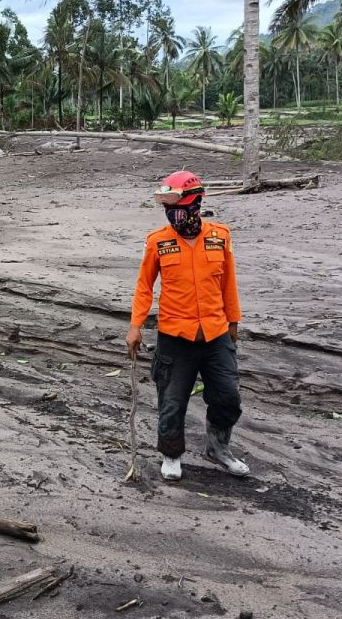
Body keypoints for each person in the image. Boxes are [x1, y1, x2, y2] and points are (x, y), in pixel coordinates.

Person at [125, 170, 249, 481]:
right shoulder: (158, 242)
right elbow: (144, 286)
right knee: (171, 400)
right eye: (167, 209)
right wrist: (135, 325)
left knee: (227, 397)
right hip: (174, 335)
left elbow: (228, 282)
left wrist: (233, 321)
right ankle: (171, 454)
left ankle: (219, 448)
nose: (171, 215)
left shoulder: (220, 236)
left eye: (175, 208)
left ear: (194, 204)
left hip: (216, 333)